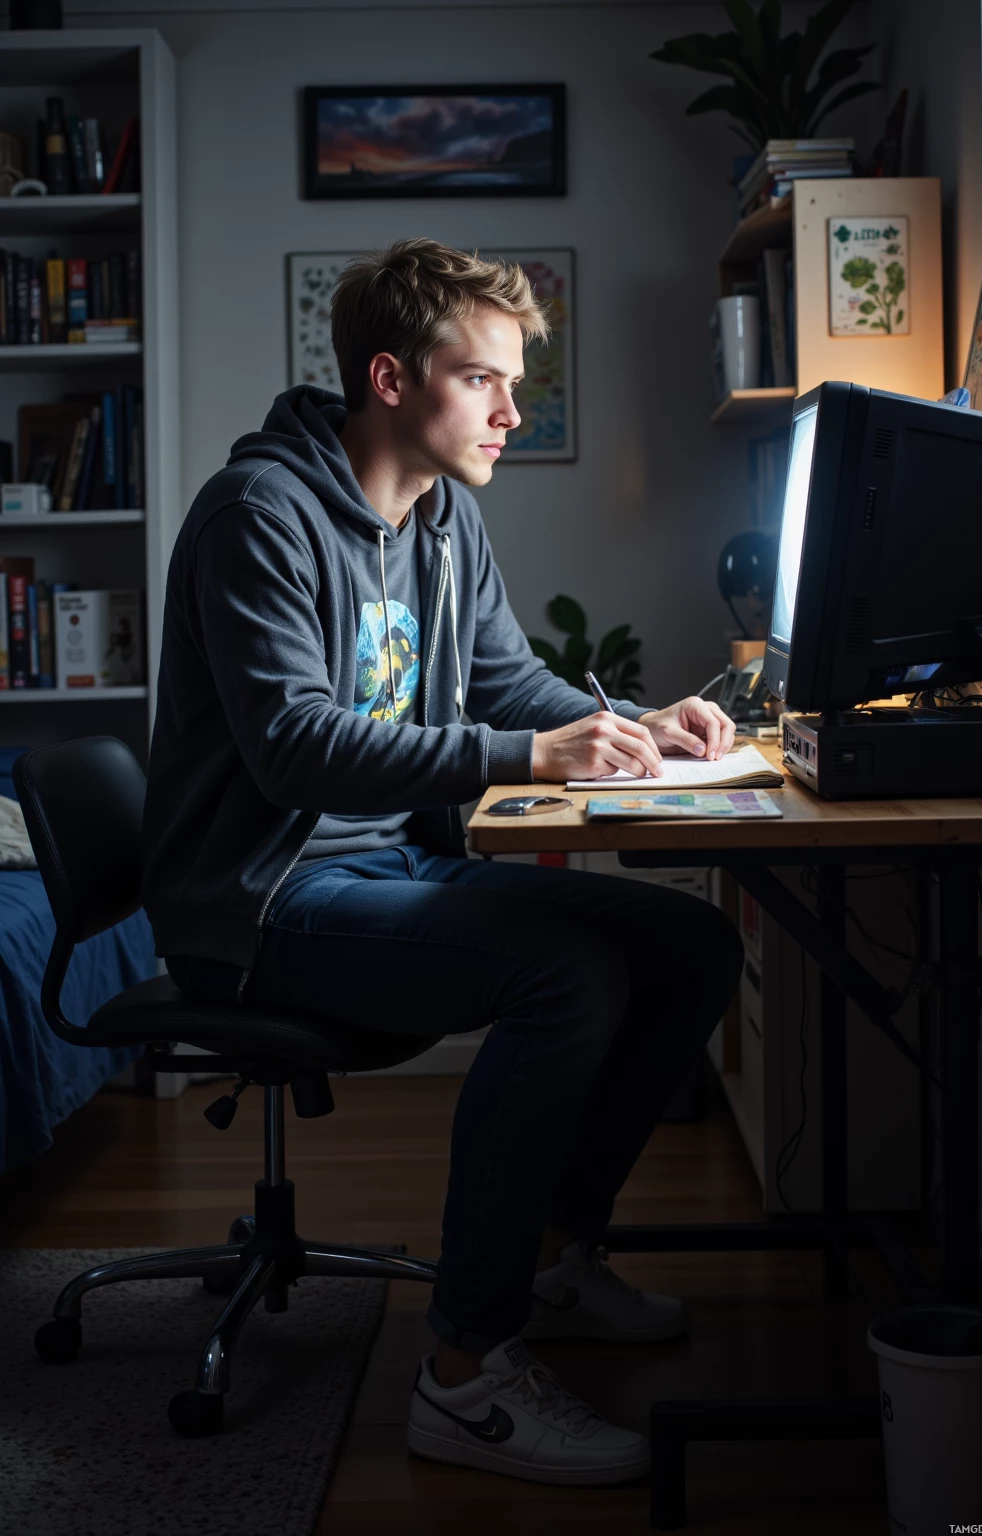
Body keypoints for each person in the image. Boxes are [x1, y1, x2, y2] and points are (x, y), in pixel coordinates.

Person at [142, 238, 744, 1487]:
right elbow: (299, 750)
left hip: (386, 873)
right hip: (264, 898)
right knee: (565, 975)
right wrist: (529, 747)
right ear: (393, 379)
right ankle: (463, 1376)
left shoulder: (445, 517)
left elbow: (505, 677)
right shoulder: (259, 516)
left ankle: (549, 1261)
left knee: (690, 942)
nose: (513, 413)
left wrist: (638, 718)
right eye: (486, 383)